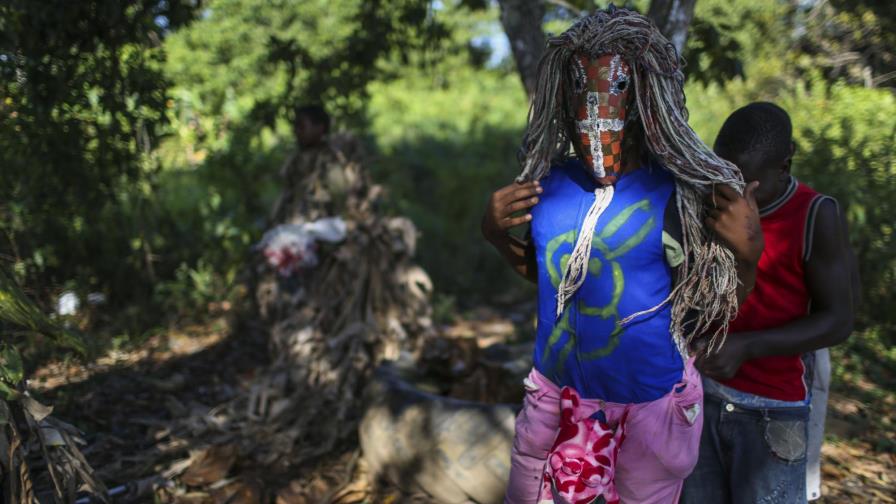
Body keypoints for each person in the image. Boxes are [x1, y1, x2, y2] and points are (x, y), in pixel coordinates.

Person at [481, 7, 763, 503]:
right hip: (553, 403)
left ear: (647, 100)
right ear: (561, 98)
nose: (596, 113)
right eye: (581, 95)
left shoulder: (679, 197)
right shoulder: (548, 185)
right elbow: (552, 280)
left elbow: (714, 309)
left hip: (648, 415)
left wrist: (746, 255)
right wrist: (496, 234)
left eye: (616, 92)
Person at [680, 102, 859, 504]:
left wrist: (747, 345)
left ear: (784, 167)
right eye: (722, 173)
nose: (731, 190)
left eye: (746, 181)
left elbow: (839, 319)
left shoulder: (816, 215)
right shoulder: (707, 205)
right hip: (702, 398)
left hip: (773, 408)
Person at [270, 104, 368, 225]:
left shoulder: (329, 158)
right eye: (296, 126)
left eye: (301, 126)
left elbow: (339, 197)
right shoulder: (296, 159)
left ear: (319, 128)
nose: (296, 131)